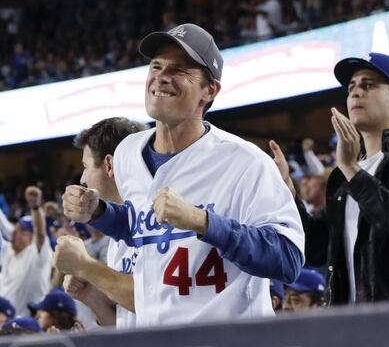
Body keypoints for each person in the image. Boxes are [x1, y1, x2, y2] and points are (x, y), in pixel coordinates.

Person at [60, 23, 305, 327]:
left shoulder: (246, 162)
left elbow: (288, 259)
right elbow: (147, 227)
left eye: (179, 70)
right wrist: (99, 213)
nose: (161, 76)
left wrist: (202, 221)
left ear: (209, 90)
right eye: (156, 66)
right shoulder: (127, 153)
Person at [270, 52, 389, 305]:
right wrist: (288, 194)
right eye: (351, 88)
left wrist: (352, 170)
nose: (356, 93)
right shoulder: (342, 175)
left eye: (368, 85)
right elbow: (316, 248)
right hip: (356, 324)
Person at [54, 117, 146, 329]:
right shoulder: (116, 237)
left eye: (86, 166)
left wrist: (86, 267)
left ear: (109, 164)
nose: (83, 178)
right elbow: (123, 326)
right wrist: (90, 297)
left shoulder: (158, 218)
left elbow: (156, 300)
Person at [0, 186, 51, 316]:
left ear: (31, 236)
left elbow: (40, 233)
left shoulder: (37, 255)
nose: (14, 233)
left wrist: (35, 207)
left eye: (21, 230)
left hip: (28, 327)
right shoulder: (8, 252)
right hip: (4, 325)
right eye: (15, 229)